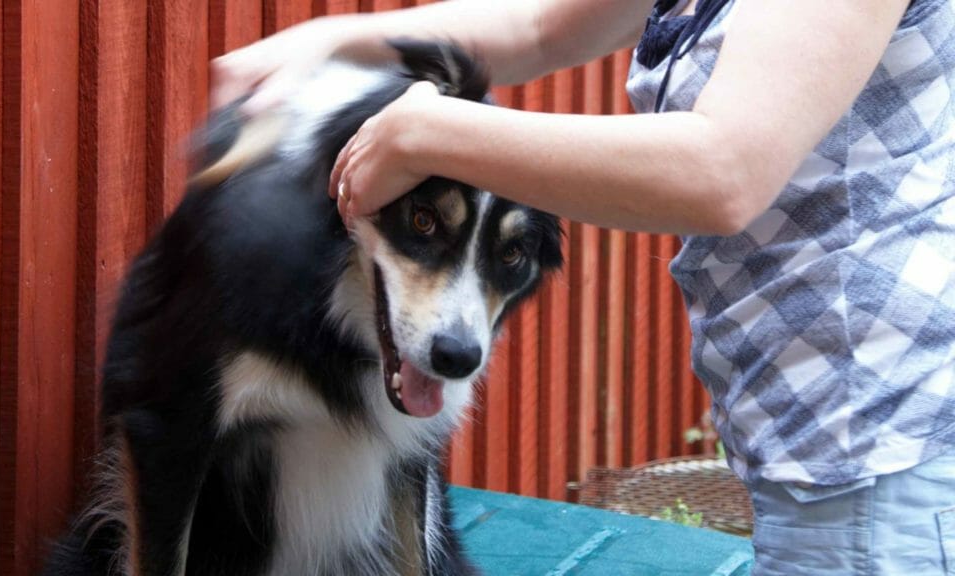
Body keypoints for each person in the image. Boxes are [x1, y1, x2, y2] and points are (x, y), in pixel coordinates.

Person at [210, 0, 955, 573]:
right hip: (813, 436)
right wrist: (331, 40)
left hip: (882, 437)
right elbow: (537, 28)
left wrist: (424, 134)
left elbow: (722, 170)